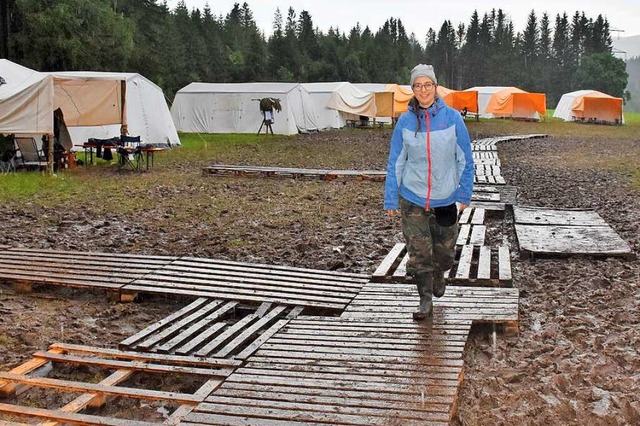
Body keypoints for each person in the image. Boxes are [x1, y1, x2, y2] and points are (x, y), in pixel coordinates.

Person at [384, 64, 474, 320]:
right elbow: (396, 160)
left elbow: (465, 157)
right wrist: (391, 196)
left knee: (444, 252)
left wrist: (464, 193)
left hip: (445, 199)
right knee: (419, 252)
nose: (423, 90)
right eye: (418, 85)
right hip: (412, 198)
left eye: (428, 85)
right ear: (412, 89)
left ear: (436, 87)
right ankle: (425, 300)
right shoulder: (405, 120)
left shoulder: (453, 118)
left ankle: (439, 274)